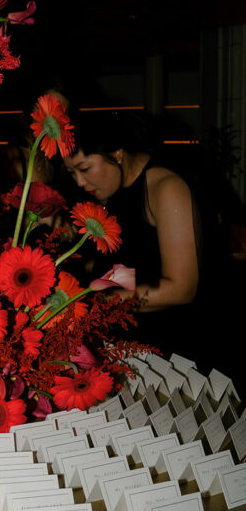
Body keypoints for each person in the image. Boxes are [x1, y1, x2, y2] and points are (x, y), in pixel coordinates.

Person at [64, 110, 201, 355]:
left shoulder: (166, 188)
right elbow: (137, 266)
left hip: (173, 348)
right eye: (72, 173)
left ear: (117, 153)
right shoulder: (117, 191)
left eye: (84, 169)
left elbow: (182, 289)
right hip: (131, 343)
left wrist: (100, 303)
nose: (80, 183)